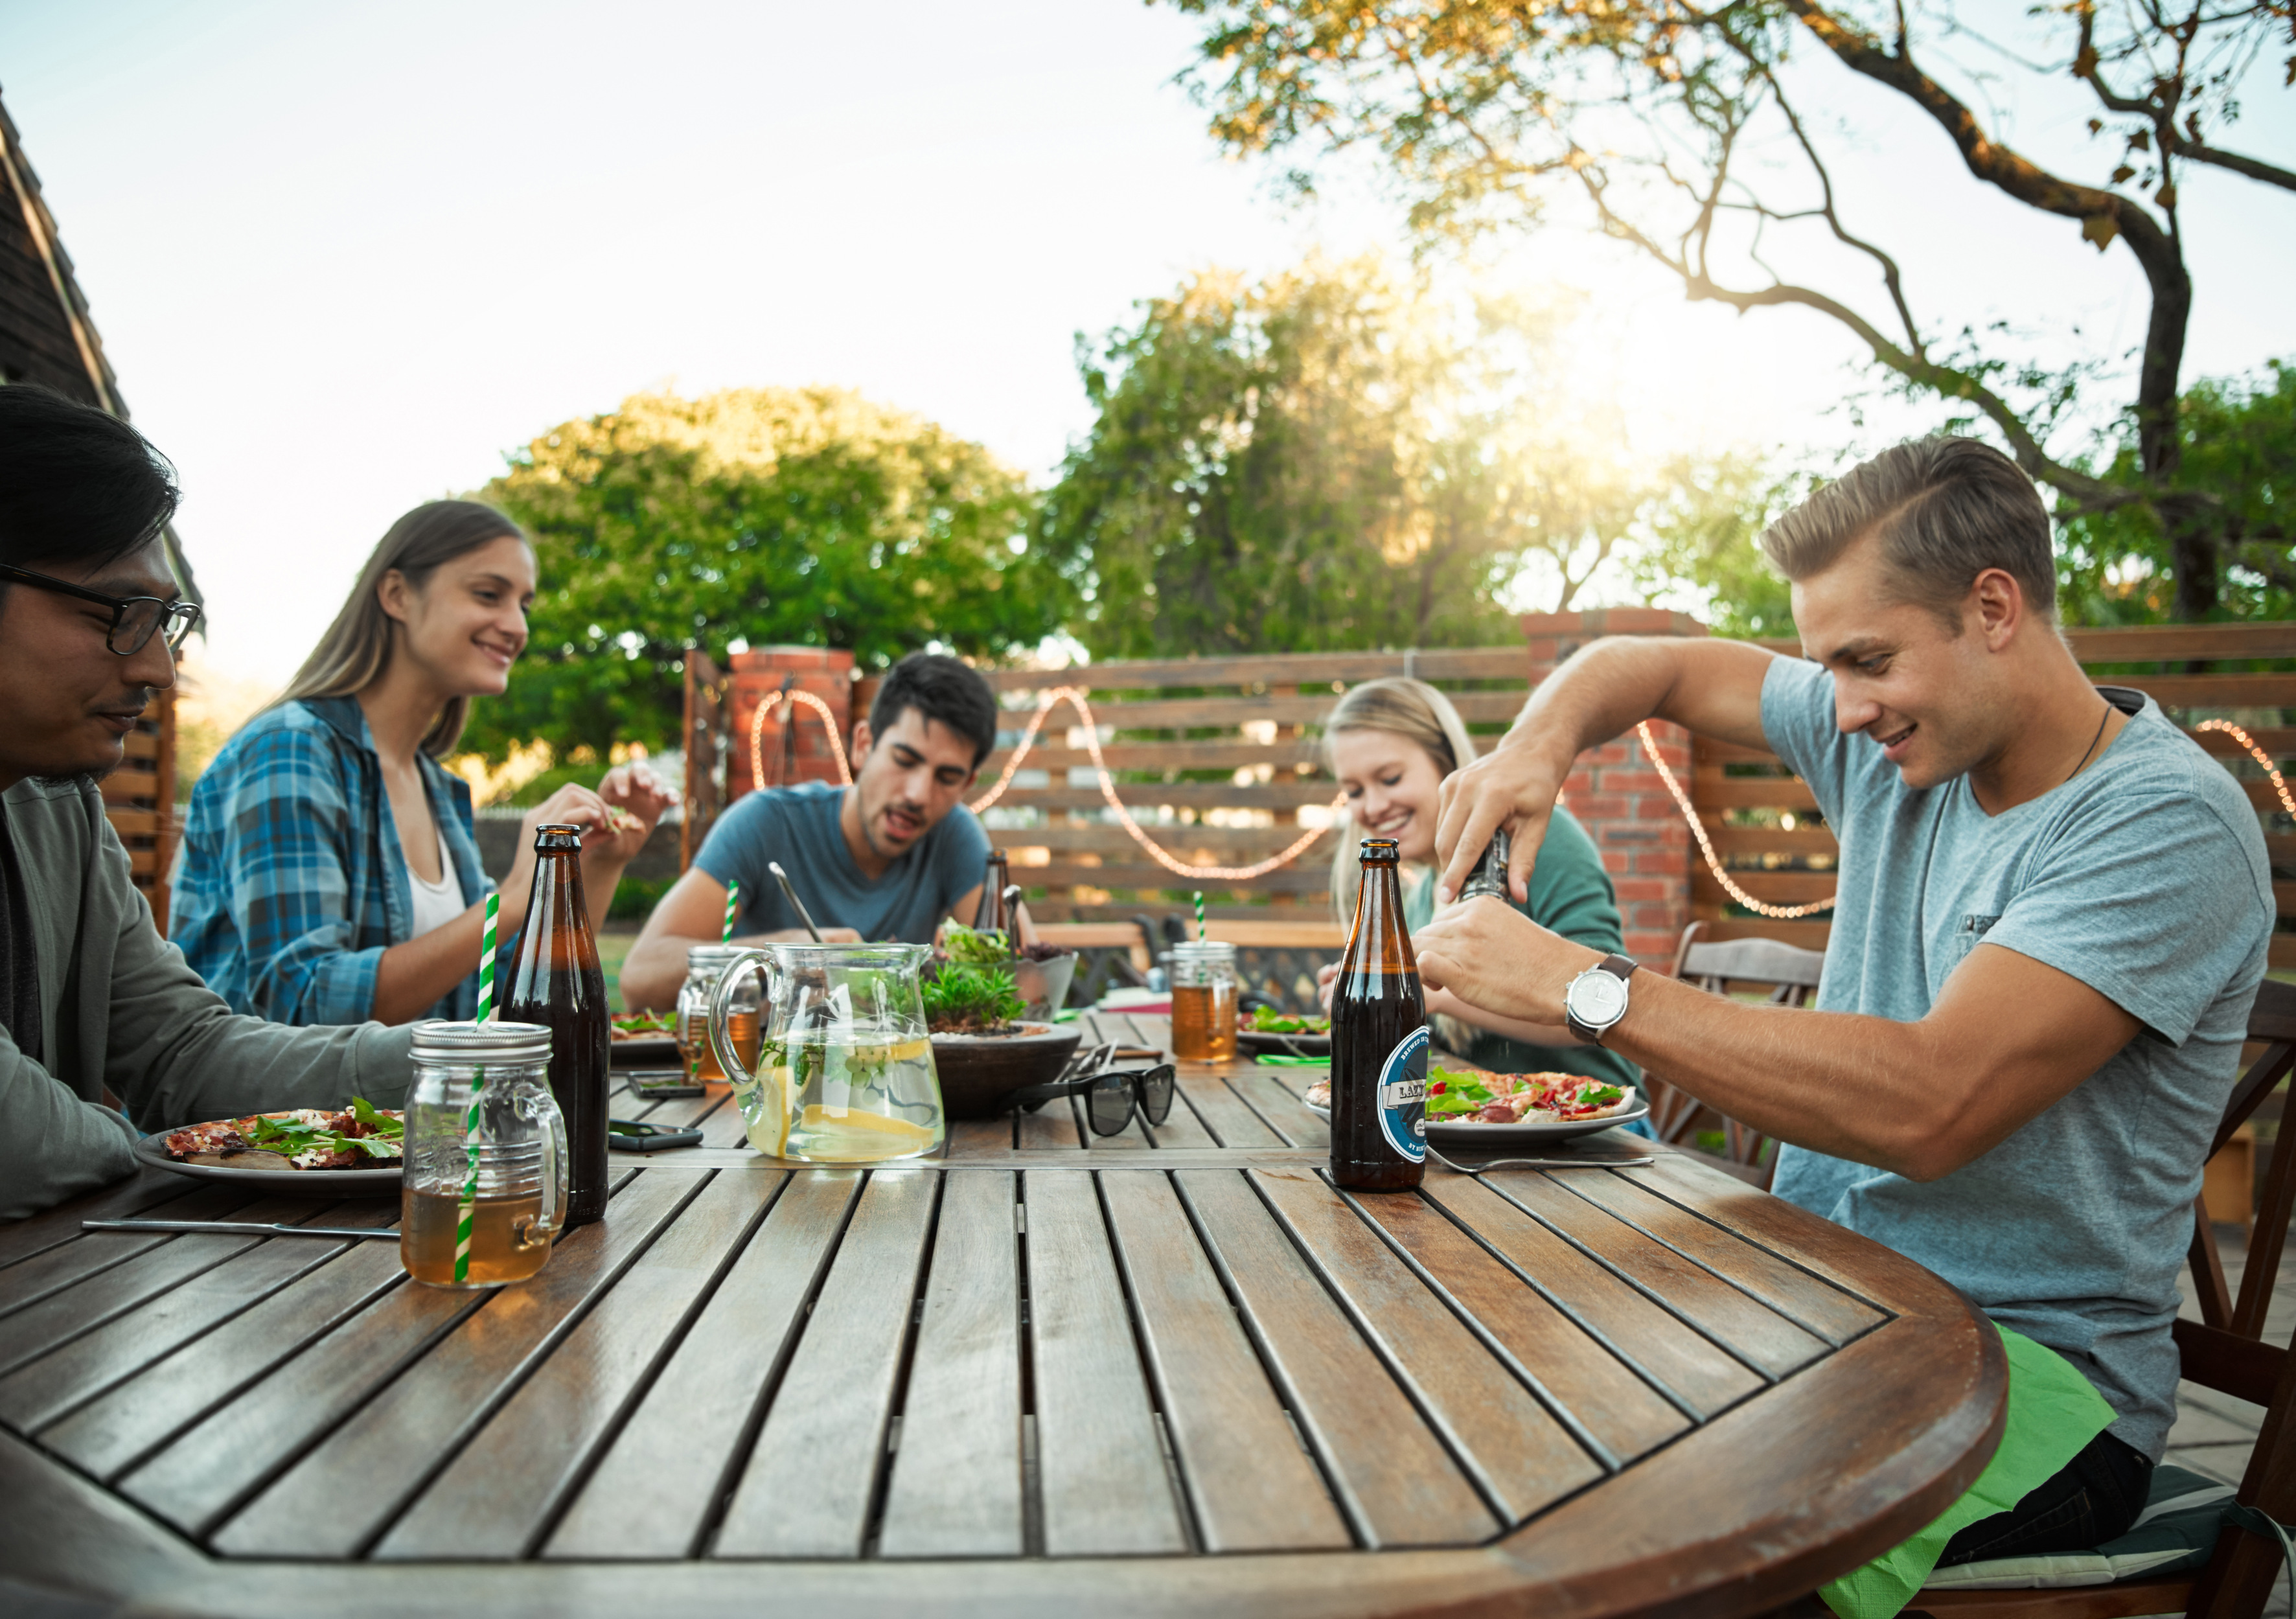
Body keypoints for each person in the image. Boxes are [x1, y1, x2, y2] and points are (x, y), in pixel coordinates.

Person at [1416, 436, 2272, 1592]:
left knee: (1642, 1546)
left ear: (1992, 606)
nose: (1844, 706)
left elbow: (1931, 1102)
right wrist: (1532, 746)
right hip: (1811, 1302)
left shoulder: (2159, 820)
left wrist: (1585, 987)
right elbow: (1645, 662)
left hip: (2028, 1381)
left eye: (1867, 660)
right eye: (1826, 666)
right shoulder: (1886, 735)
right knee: (1483, 1408)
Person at [0, 385, 420, 1217]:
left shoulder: (55, 805)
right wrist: (149, 1147)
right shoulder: (290, 748)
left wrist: (457, 1057)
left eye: (166, 620)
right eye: (123, 615)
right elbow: (15, 1144)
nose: (158, 668)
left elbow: (183, 1050)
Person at [172, 501, 675, 1026]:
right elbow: (305, 1003)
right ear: (396, 594)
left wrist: (599, 862)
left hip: (411, 1111)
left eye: (524, 603)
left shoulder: (440, 789)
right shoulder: (287, 752)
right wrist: (512, 899)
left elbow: (509, 991)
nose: (517, 625)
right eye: (488, 594)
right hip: (261, 1111)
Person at [619, 652, 1012, 1011]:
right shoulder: (765, 823)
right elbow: (640, 979)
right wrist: (785, 957)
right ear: (863, 745)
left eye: (947, 777)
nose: (918, 795)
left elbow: (1022, 982)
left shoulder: (956, 835)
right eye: (905, 760)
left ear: (967, 784)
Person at [1313, 677, 1638, 1096]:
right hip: (1480, 1129)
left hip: (1601, 1126)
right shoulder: (1413, 897)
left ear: (1447, 764)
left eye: (1390, 778)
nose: (1373, 807)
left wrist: (1432, 993)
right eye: (1354, 791)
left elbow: (1608, 1009)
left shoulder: (1537, 840)